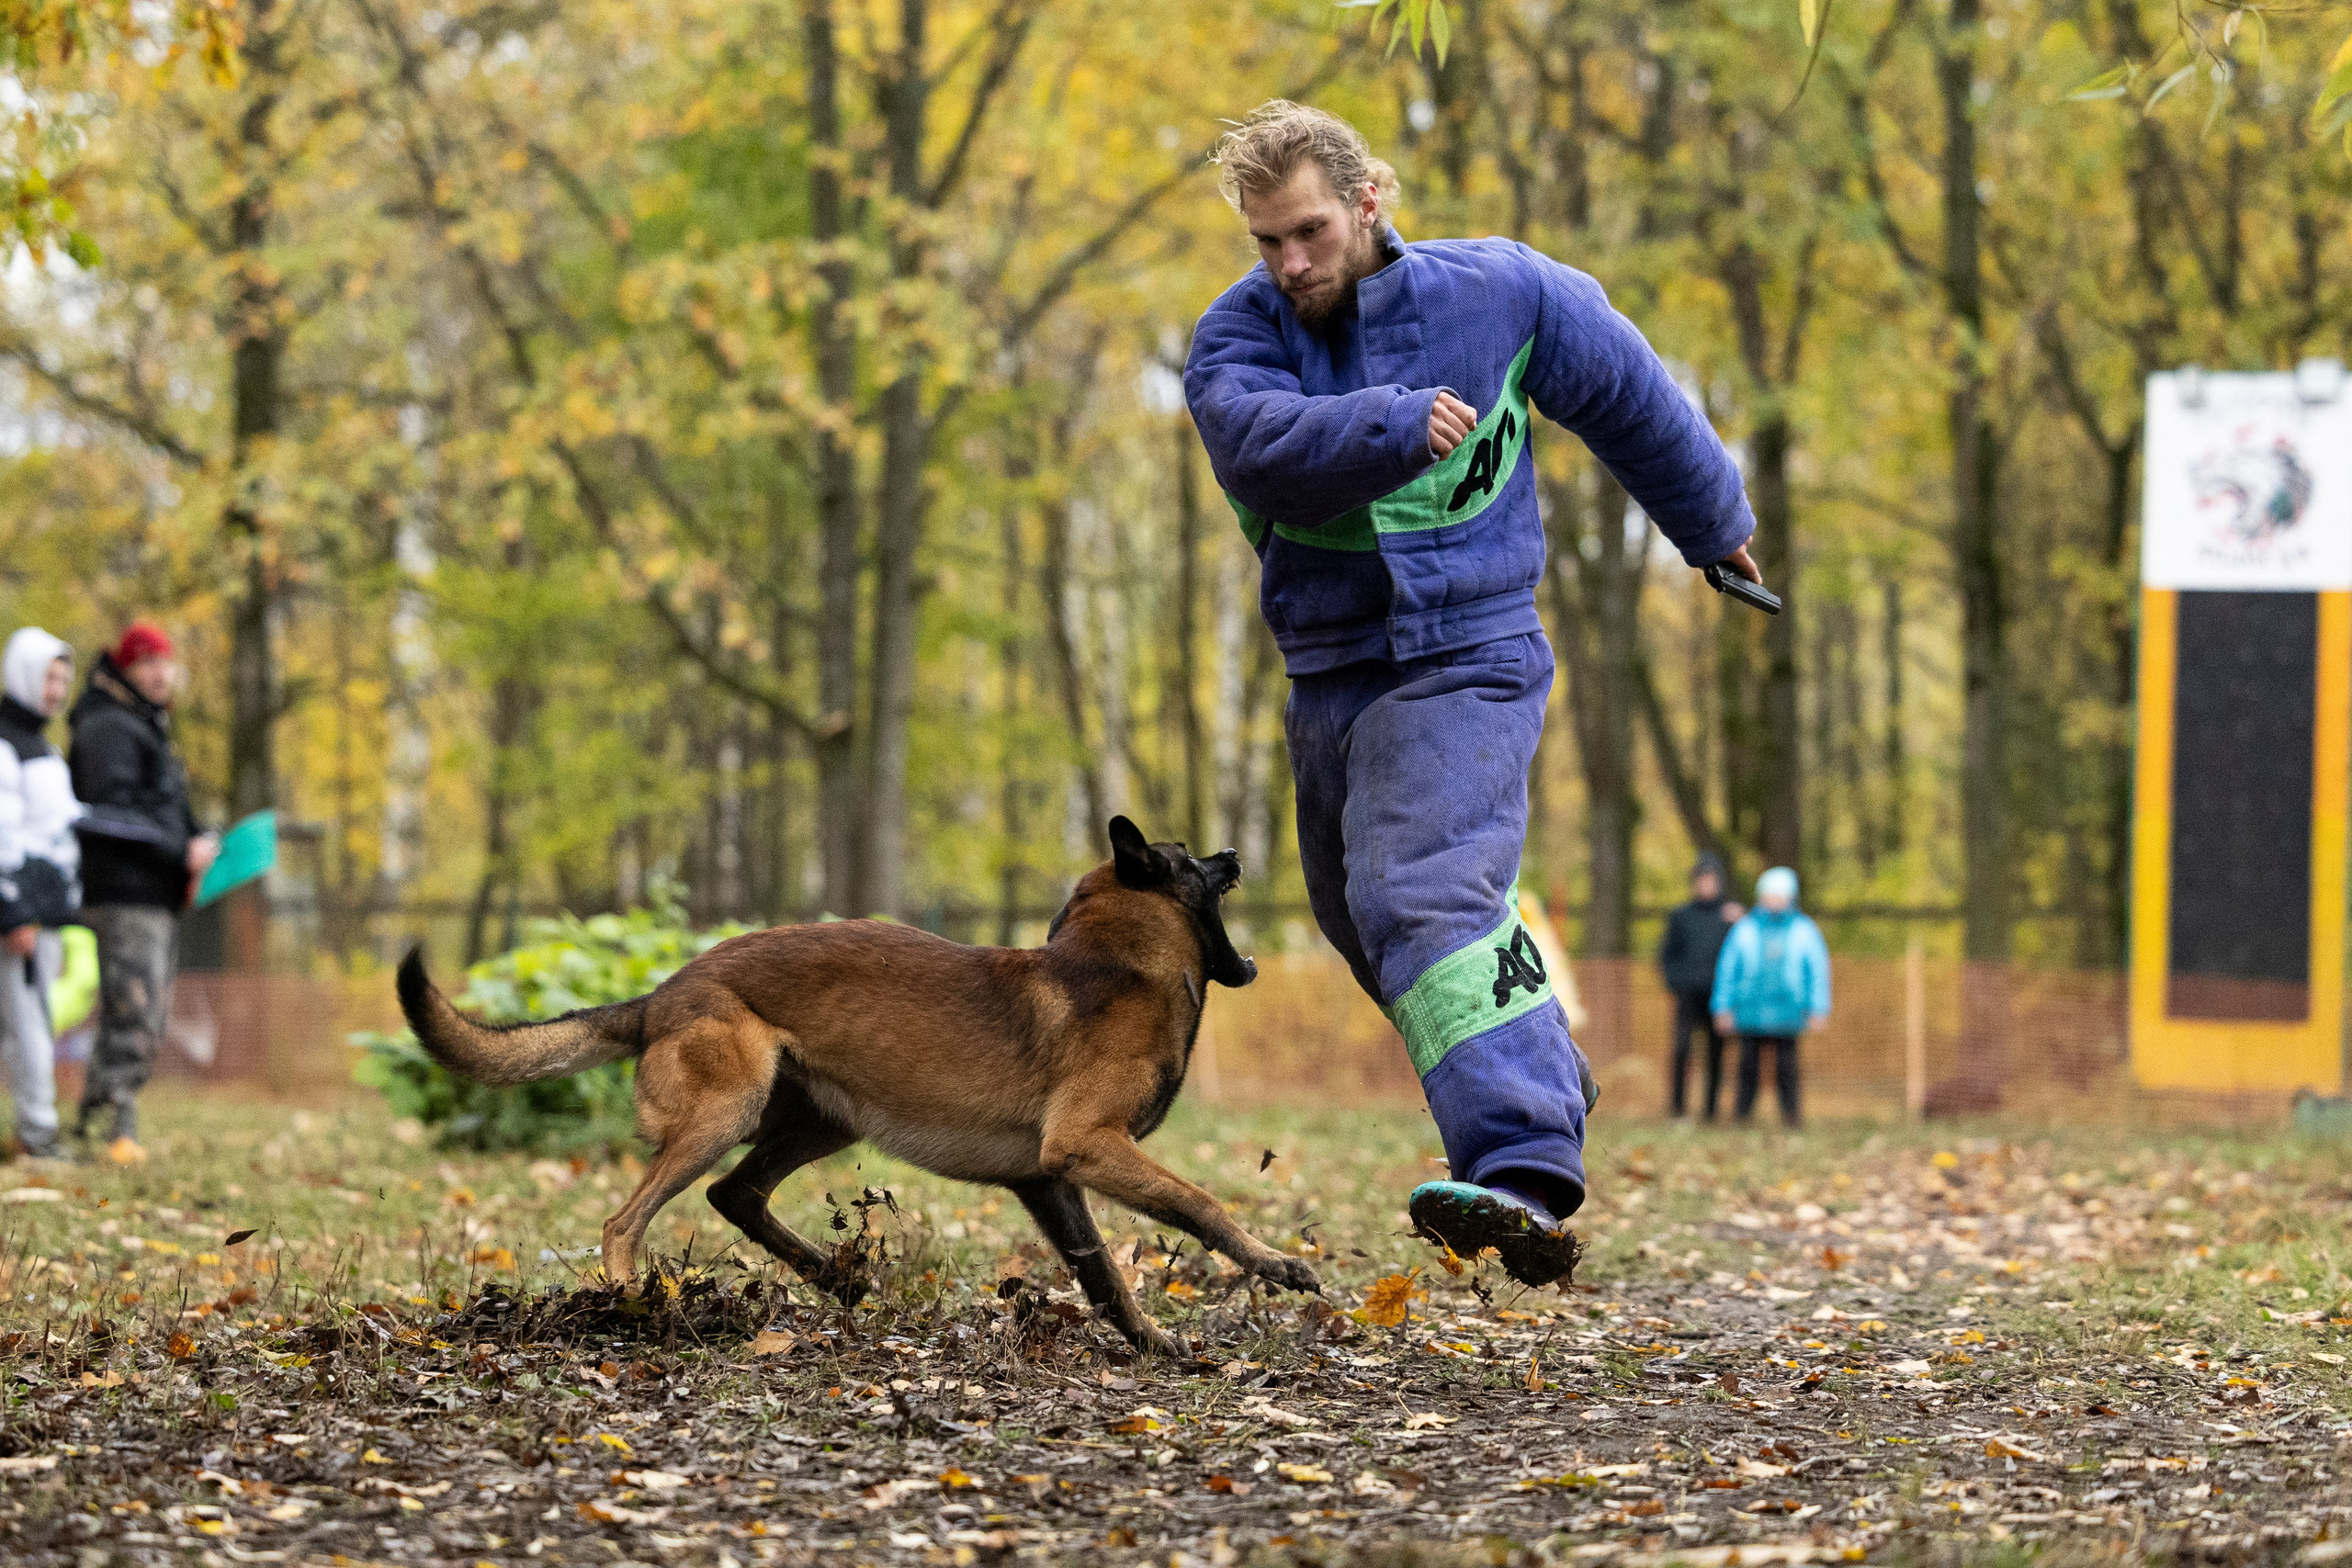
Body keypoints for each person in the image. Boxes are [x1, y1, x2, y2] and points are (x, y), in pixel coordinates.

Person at [1182, 103, 1759, 1282]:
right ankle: (1539, 1060)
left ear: (1368, 202)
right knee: (1361, 916)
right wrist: (1393, 423)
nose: (1290, 264)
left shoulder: (1500, 294)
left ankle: (1524, 1175)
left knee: (1418, 886)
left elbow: (1630, 395)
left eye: (1307, 232)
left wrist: (1713, 526)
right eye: (1265, 244)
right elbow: (1258, 443)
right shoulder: (1232, 341)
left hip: (1472, 651)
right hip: (1334, 670)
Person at [67, 624, 214, 1161]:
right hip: (123, 896)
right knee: (135, 1014)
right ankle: (112, 1128)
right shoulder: (108, 727)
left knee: (139, 1016)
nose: (159, 673)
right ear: (125, 670)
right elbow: (113, 815)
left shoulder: (144, 726)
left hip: (152, 894)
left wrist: (197, 850)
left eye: (165, 662)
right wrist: (180, 853)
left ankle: (100, 1123)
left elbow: (163, 808)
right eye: (146, 663)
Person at [0, 629, 83, 1160]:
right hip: (20, 912)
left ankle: (33, 1124)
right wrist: (13, 910)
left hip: (48, 911)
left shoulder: (44, 746)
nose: (56, 690)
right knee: (29, 1021)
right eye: (49, 677)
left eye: (63, 680)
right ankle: (39, 1132)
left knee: (30, 1022)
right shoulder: (5, 743)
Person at [1710, 866, 1830, 1127]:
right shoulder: (1745, 929)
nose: (1775, 899)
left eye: (1780, 894)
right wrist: (1722, 1007)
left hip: (1789, 1012)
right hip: (1750, 1011)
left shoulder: (1804, 930)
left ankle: (1791, 1116)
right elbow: (1728, 969)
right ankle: (1742, 1116)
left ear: (1790, 896)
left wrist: (1818, 1007)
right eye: (1770, 894)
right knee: (1747, 1067)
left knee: (1787, 1068)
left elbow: (1817, 971)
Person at [1658, 854, 1739, 1121]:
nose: (1706, 885)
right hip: (1688, 995)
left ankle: (1711, 1111)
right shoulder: (1681, 916)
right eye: (1701, 880)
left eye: (1711, 880)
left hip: (1720, 998)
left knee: (1716, 1053)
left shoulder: (1731, 917)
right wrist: (1676, 982)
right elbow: (1667, 955)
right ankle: (1677, 1109)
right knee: (1682, 1049)